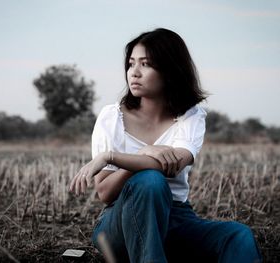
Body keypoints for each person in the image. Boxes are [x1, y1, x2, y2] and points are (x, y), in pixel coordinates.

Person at [69, 28, 262, 263]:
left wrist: (111, 157)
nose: (134, 73)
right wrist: (140, 158)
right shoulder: (112, 117)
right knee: (150, 180)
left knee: (237, 235)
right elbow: (106, 193)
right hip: (119, 223)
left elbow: (173, 164)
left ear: (170, 70)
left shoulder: (190, 116)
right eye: (131, 64)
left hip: (177, 218)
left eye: (146, 64)